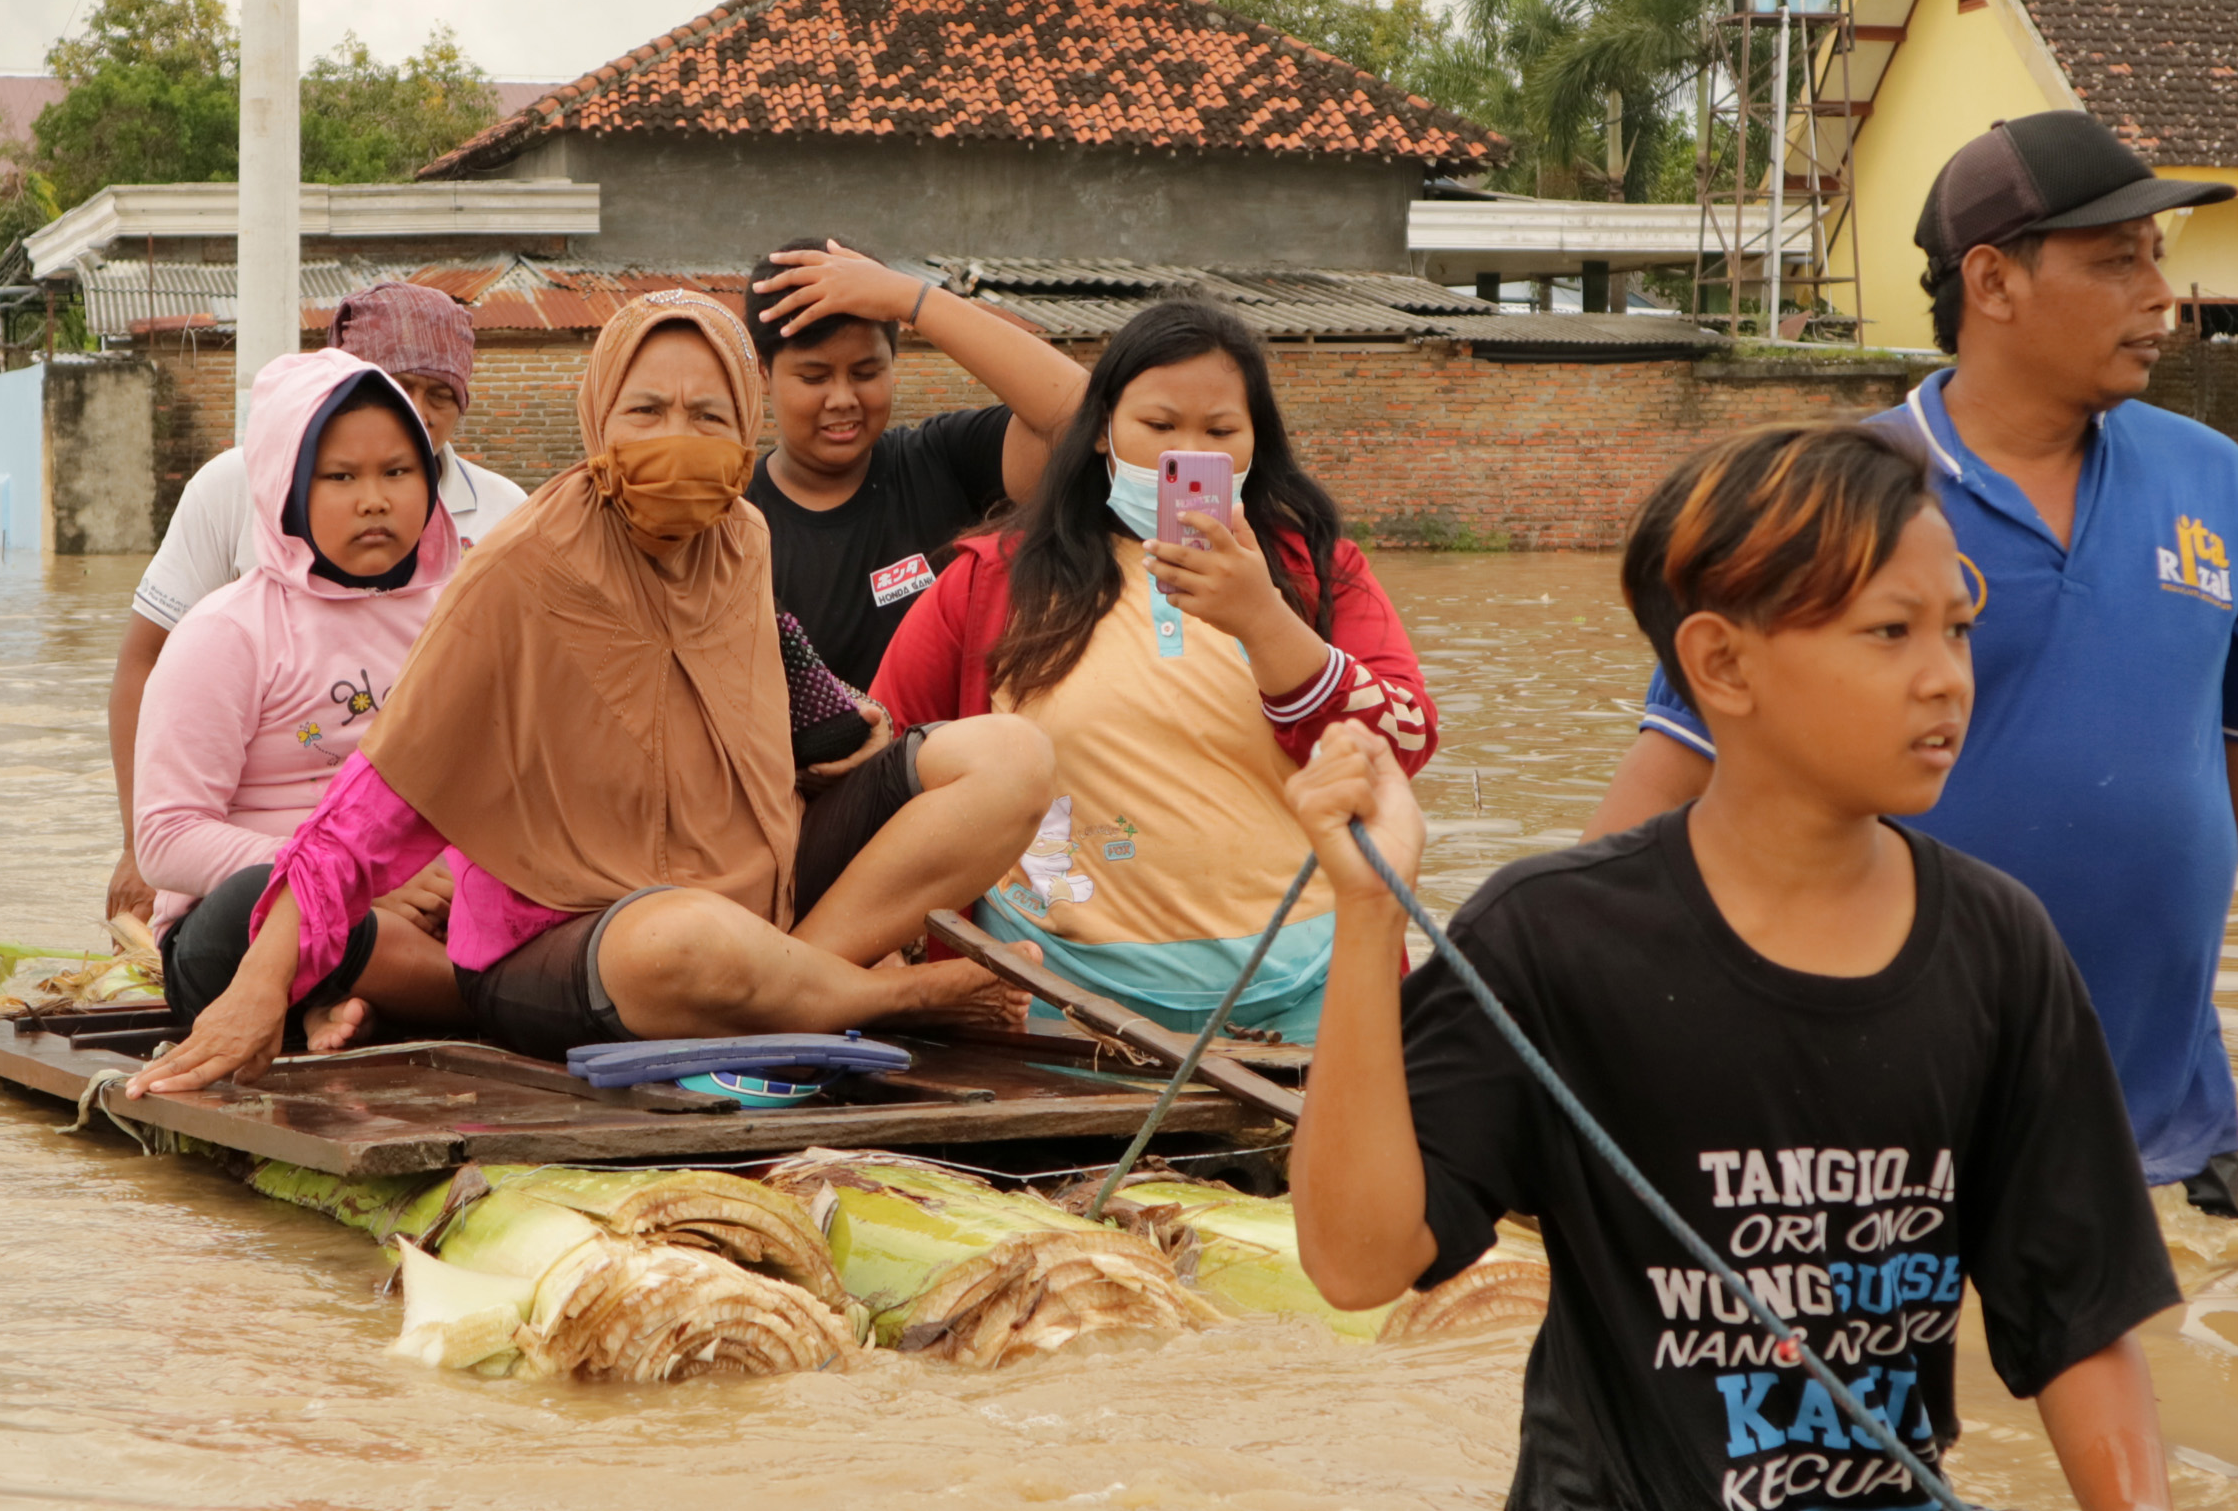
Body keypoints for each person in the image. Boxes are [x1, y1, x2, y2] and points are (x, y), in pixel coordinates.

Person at [1288, 423, 2196, 1511]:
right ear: (1720, 665)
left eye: (1957, 629)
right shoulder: (1554, 937)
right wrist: (1365, 921)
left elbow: (2076, 1323)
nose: (1946, 677)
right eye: (1889, 632)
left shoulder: (2000, 950)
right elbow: (1358, 1264)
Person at [1588, 111, 2238, 1219]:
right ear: (1991, 281)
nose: (2157, 294)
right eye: (2114, 259)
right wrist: (1573, 1037)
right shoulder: (1837, 498)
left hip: (2170, 1133)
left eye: (2157, 257)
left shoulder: (2213, 482)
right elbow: (1673, 777)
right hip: (1882, 1141)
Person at [130, 290, 1056, 1096]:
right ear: (597, 421)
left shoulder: (744, 542)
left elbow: (781, 730)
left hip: (749, 893)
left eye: (706, 414)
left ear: (745, 428)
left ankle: (790, 979)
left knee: (1011, 756)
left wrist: (858, 744)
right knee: (679, 940)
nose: (676, 441)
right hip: (568, 935)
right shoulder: (523, 566)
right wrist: (262, 981)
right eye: (645, 412)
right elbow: (376, 800)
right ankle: (861, 994)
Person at [870, 299, 1438, 1040]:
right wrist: (883, 961)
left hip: (1310, 1002)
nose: (1187, 455)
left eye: (1220, 431)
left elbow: (1404, 741)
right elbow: (883, 770)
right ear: (1103, 431)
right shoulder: (988, 583)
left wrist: (1264, 619)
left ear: (1256, 443)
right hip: (1052, 1010)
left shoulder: (1316, 571)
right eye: (1160, 427)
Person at [105, 280, 519, 922]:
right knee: (273, 907)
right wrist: (138, 846)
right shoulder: (231, 518)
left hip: (416, 890)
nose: (374, 499)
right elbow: (145, 665)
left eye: (441, 396)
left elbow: (502, 754)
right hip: (264, 878)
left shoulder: (499, 533)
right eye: (341, 476)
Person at [131, 347, 470, 1031]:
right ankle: (479, 1002)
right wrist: (351, 879)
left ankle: (350, 1007)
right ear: (284, 488)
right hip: (246, 930)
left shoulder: (462, 613)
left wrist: (456, 879)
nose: (374, 498)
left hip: (422, 917)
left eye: (399, 471)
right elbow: (165, 838)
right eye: (340, 476)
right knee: (255, 908)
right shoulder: (228, 631)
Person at [744, 236, 1091, 690]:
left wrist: (912, 299)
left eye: (867, 373)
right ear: (765, 374)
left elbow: (1082, 417)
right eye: (814, 377)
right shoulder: (735, 521)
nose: (843, 399)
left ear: (895, 362)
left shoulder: (942, 460)